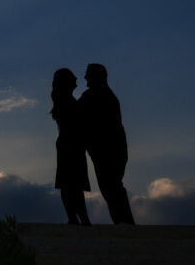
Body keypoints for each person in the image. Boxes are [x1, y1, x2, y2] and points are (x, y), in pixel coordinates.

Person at [78, 63, 135, 224]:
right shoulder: (98, 95)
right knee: (111, 188)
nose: (85, 77)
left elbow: (77, 115)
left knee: (112, 188)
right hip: (108, 152)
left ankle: (125, 223)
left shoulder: (97, 96)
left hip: (107, 153)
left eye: (88, 74)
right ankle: (124, 222)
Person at [50, 68, 91, 225]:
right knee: (72, 183)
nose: (77, 78)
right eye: (73, 76)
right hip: (70, 144)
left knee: (70, 183)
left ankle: (76, 218)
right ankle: (80, 218)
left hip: (70, 143)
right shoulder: (66, 100)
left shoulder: (65, 99)